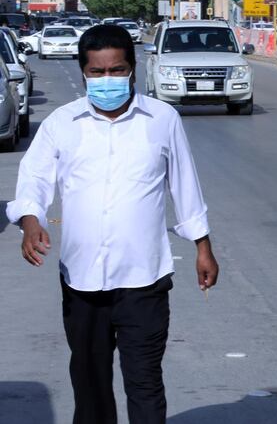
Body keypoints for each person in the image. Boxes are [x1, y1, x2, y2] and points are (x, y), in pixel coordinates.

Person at [7, 24, 218, 424]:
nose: (108, 80)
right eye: (98, 72)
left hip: (145, 280)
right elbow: (34, 178)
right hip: (82, 281)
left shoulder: (162, 119)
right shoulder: (62, 123)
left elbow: (185, 184)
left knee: (144, 382)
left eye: (117, 70)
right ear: (84, 72)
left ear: (133, 70)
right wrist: (30, 218)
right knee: (89, 383)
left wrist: (202, 246)